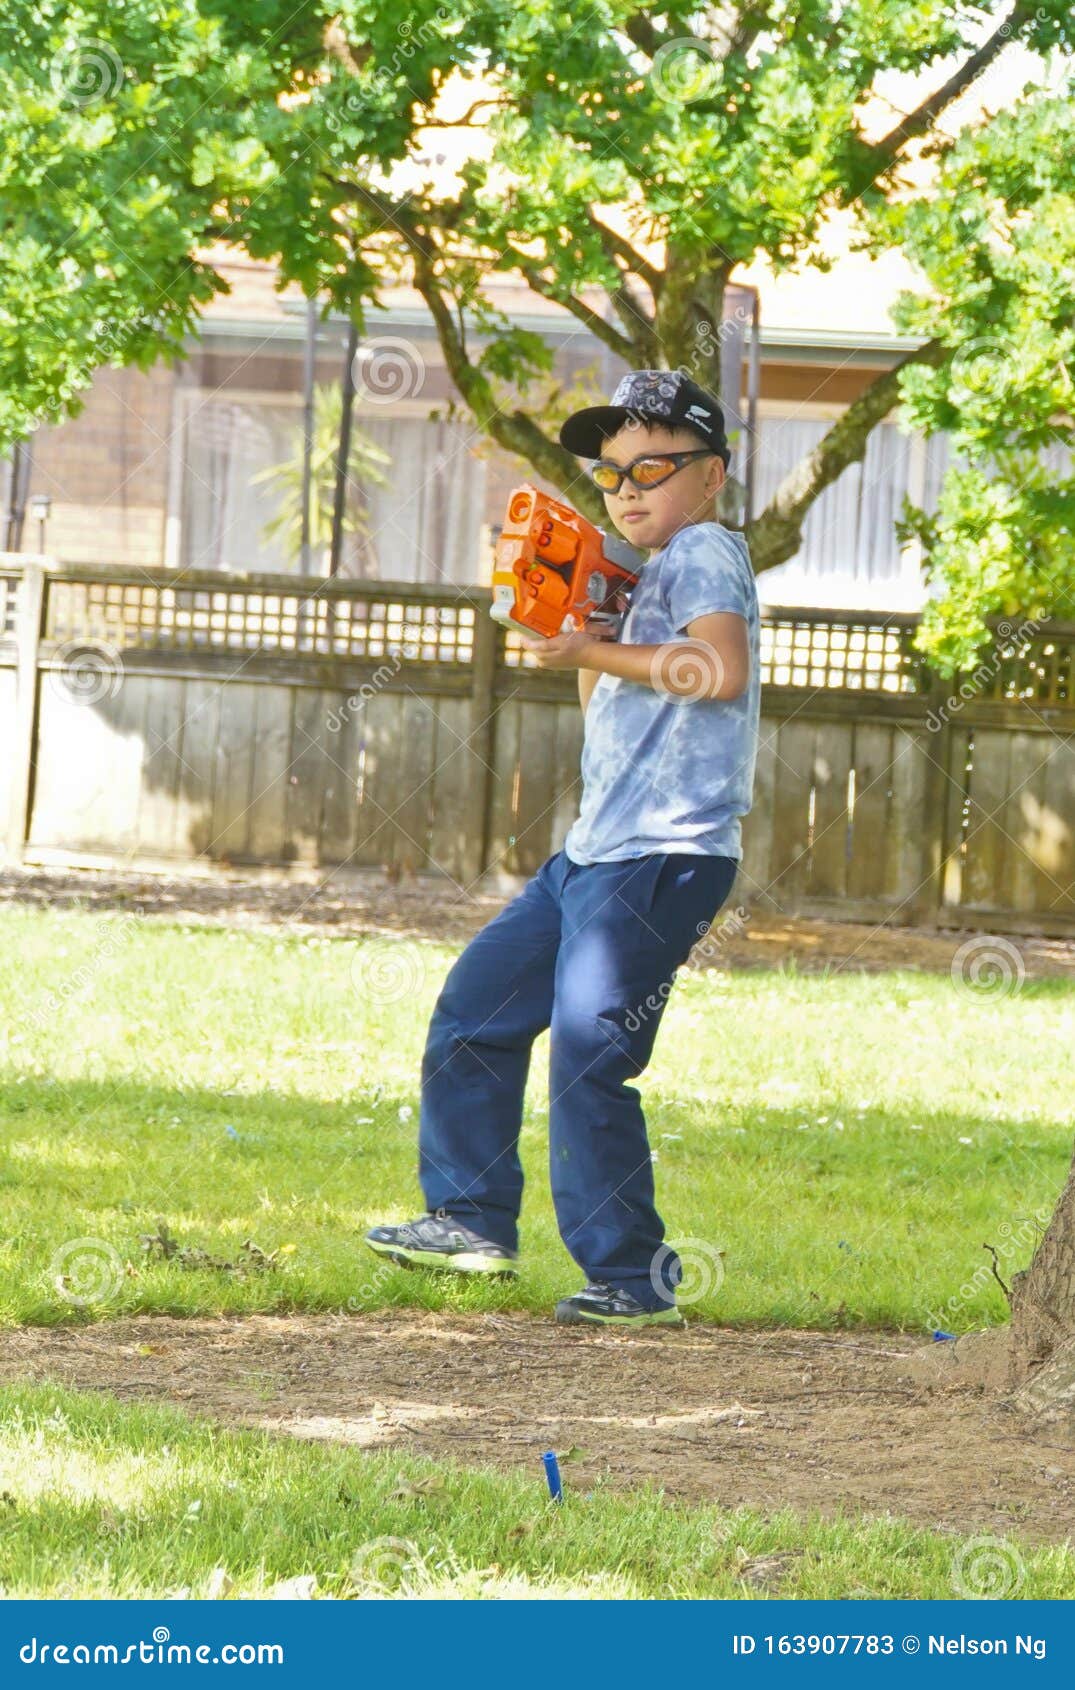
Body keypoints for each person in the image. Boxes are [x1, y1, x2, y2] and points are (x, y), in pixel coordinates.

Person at [365, 369, 761, 1326]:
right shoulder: (639, 574)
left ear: (710, 476)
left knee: (591, 1051)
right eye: (612, 474)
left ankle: (630, 1275)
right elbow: (610, 708)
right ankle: (469, 1222)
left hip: (667, 853)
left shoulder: (706, 549)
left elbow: (717, 670)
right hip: (594, 852)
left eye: (653, 469)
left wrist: (587, 650)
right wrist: (582, 625)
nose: (627, 490)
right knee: (477, 1008)